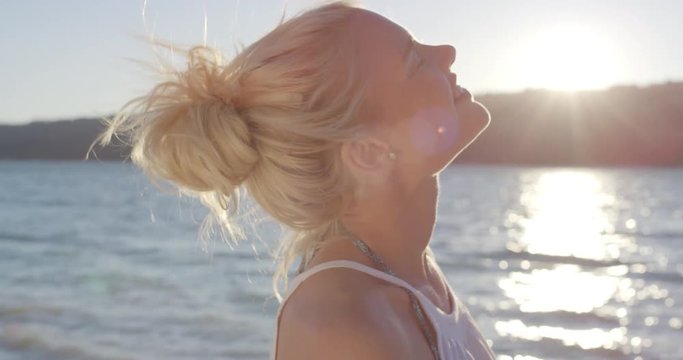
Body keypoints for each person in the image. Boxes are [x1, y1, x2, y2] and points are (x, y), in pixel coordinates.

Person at [97, 1, 495, 359]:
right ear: (368, 152)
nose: (446, 53)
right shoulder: (342, 327)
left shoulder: (410, 270)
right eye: (413, 62)